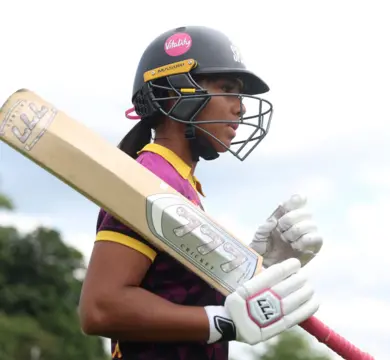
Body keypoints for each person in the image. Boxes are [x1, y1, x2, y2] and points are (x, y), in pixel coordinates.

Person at [78, 26, 324, 360]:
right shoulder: (150, 179)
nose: (241, 108)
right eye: (227, 89)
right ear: (176, 93)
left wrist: (252, 271)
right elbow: (101, 307)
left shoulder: (179, 185)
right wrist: (224, 322)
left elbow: (178, 299)